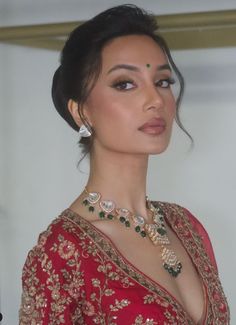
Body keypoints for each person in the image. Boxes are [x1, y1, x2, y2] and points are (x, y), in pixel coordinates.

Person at [19, 5, 230, 324]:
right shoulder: (63, 251)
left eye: (162, 81)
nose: (156, 100)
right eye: (125, 84)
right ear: (81, 112)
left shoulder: (186, 227)